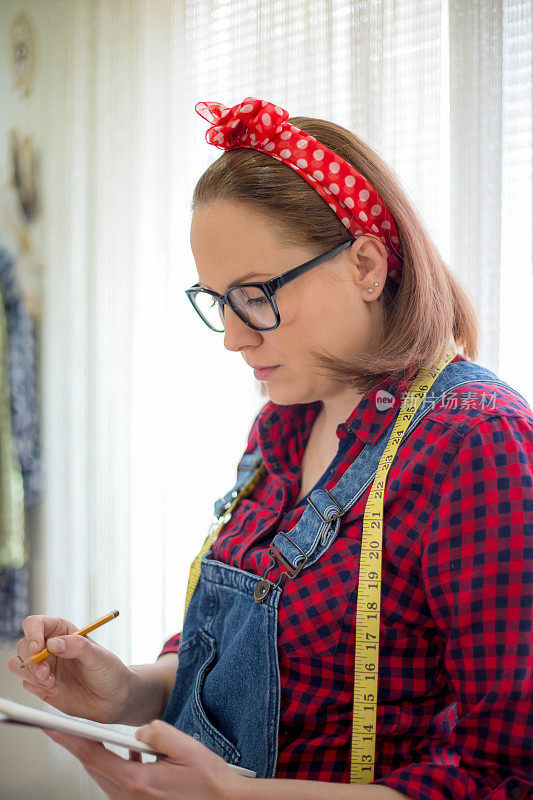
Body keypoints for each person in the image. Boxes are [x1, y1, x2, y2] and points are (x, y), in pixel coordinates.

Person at [8, 97, 533, 800]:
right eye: (217, 300)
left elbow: (504, 776)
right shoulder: (283, 422)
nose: (232, 336)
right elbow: (255, 664)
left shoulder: (474, 439)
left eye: (256, 294)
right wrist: (127, 692)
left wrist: (236, 795)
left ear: (367, 267)